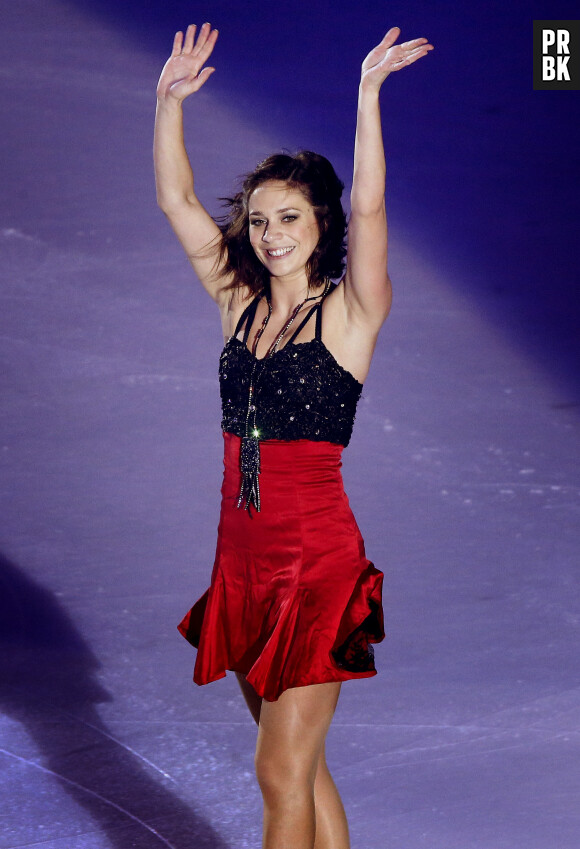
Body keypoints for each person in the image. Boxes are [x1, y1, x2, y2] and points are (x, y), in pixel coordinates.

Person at [154, 22, 433, 849]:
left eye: (291, 217)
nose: (272, 233)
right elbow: (175, 201)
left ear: (321, 224)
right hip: (242, 561)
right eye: (262, 219)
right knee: (301, 768)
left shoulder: (351, 313)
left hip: (313, 567)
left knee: (279, 773)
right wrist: (167, 105)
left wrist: (367, 96)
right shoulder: (239, 303)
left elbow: (373, 204)